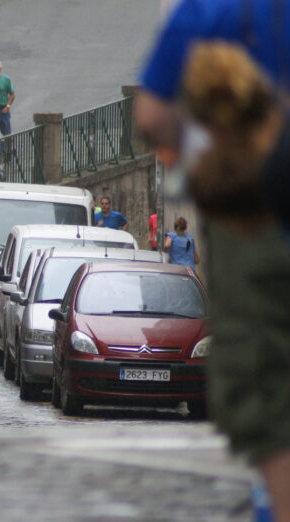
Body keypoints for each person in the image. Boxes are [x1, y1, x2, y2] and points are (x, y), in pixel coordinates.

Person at [135, 2, 290, 518]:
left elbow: (152, 114)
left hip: (250, 213)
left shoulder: (213, 11)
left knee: (265, 376)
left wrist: (199, 164)